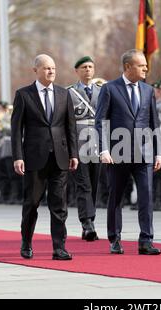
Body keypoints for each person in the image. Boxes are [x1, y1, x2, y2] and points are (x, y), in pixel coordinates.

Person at [95, 49, 161, 255]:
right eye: (141, 65)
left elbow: (154, 123)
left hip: (144, 154)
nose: (146, 68)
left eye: (145, 65)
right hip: (118, 153)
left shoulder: (148, 90)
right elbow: (100, 122)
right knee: (116, 197)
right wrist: (104, 149)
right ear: (127, 67)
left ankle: (146, 240)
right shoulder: (109, 89)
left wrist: (159, 152)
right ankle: (115, 239)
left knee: (146, 196)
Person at [11, 54, 79, 261]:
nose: (51, 71)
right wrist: (18, 156)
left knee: (59, 205)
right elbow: (16, 129)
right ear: (36, 70)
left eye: (53, 68)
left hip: (60, 157)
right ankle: (26, 243)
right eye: (47, 68)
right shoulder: (24, 95)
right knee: (31, 203)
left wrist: (74, 153)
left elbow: (70, 126)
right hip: (34, 158)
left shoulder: (63, 94)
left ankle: (59, 247)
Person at [68, 56, 102, 241]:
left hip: (97, 146)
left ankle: (91, 220)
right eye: (83, 67)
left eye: (90, 66)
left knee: (94, 185)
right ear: (77, 71)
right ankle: (87, 223)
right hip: (79, 145)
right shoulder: (70, 93)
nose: (87, 70)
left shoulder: (102, 91)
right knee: (84, 185)